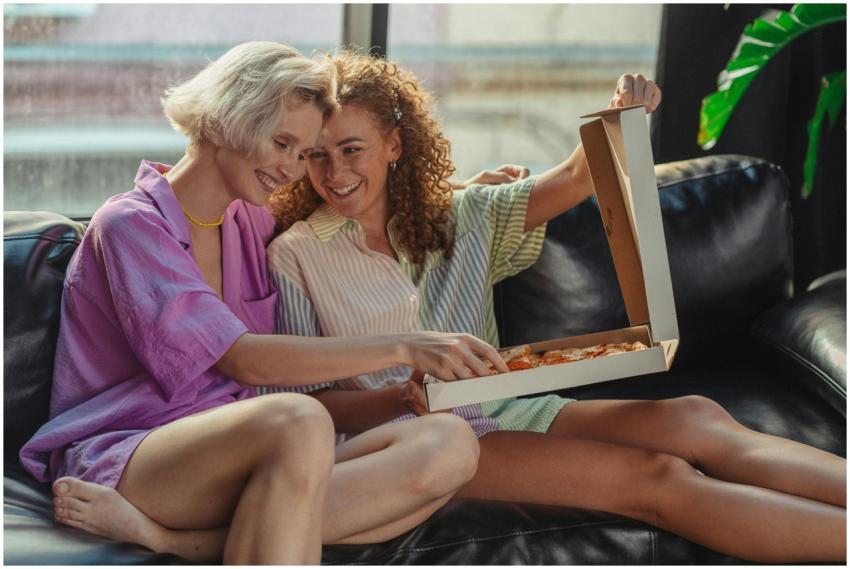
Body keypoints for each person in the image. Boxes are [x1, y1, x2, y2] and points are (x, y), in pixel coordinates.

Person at [256, 53, 843, 562]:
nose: (335, 173)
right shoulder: (296, 256)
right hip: (413, 444)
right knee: (657, 479)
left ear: (394, 144)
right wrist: (398, 396)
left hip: (505, 406)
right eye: (317, 156)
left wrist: (622, 112)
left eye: (352, 149)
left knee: (694, 416)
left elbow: (576, 175)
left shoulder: (467, 215)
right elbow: (308, 407)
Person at [19, 42, 509, 565]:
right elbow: (243, 358)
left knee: (450, 443)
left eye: (302, 154)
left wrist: (449, 191)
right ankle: (173, 525)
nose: (294, 169)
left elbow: (349, 191)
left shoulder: (248, 219)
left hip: (252, 453)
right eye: (282, 144)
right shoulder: (131, 226)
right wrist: (407, 347)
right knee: (300, 419)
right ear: (229, 119)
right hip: (134, 453)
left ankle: (170, 542)